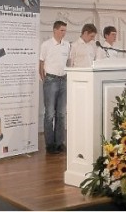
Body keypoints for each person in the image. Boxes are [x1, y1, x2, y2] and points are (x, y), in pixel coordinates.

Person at [39, 21, 70, 154]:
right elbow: (41, 63)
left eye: (65, 30)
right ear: (55, 30)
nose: (64, 33)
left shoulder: (67, 45)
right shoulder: (46, 45)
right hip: (50, 80)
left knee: (61, 114)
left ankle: (59, 143)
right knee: (50, 114)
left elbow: (68, 61)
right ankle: (49, 144)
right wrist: (44, 79)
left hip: (63, 80)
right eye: (62, 30)